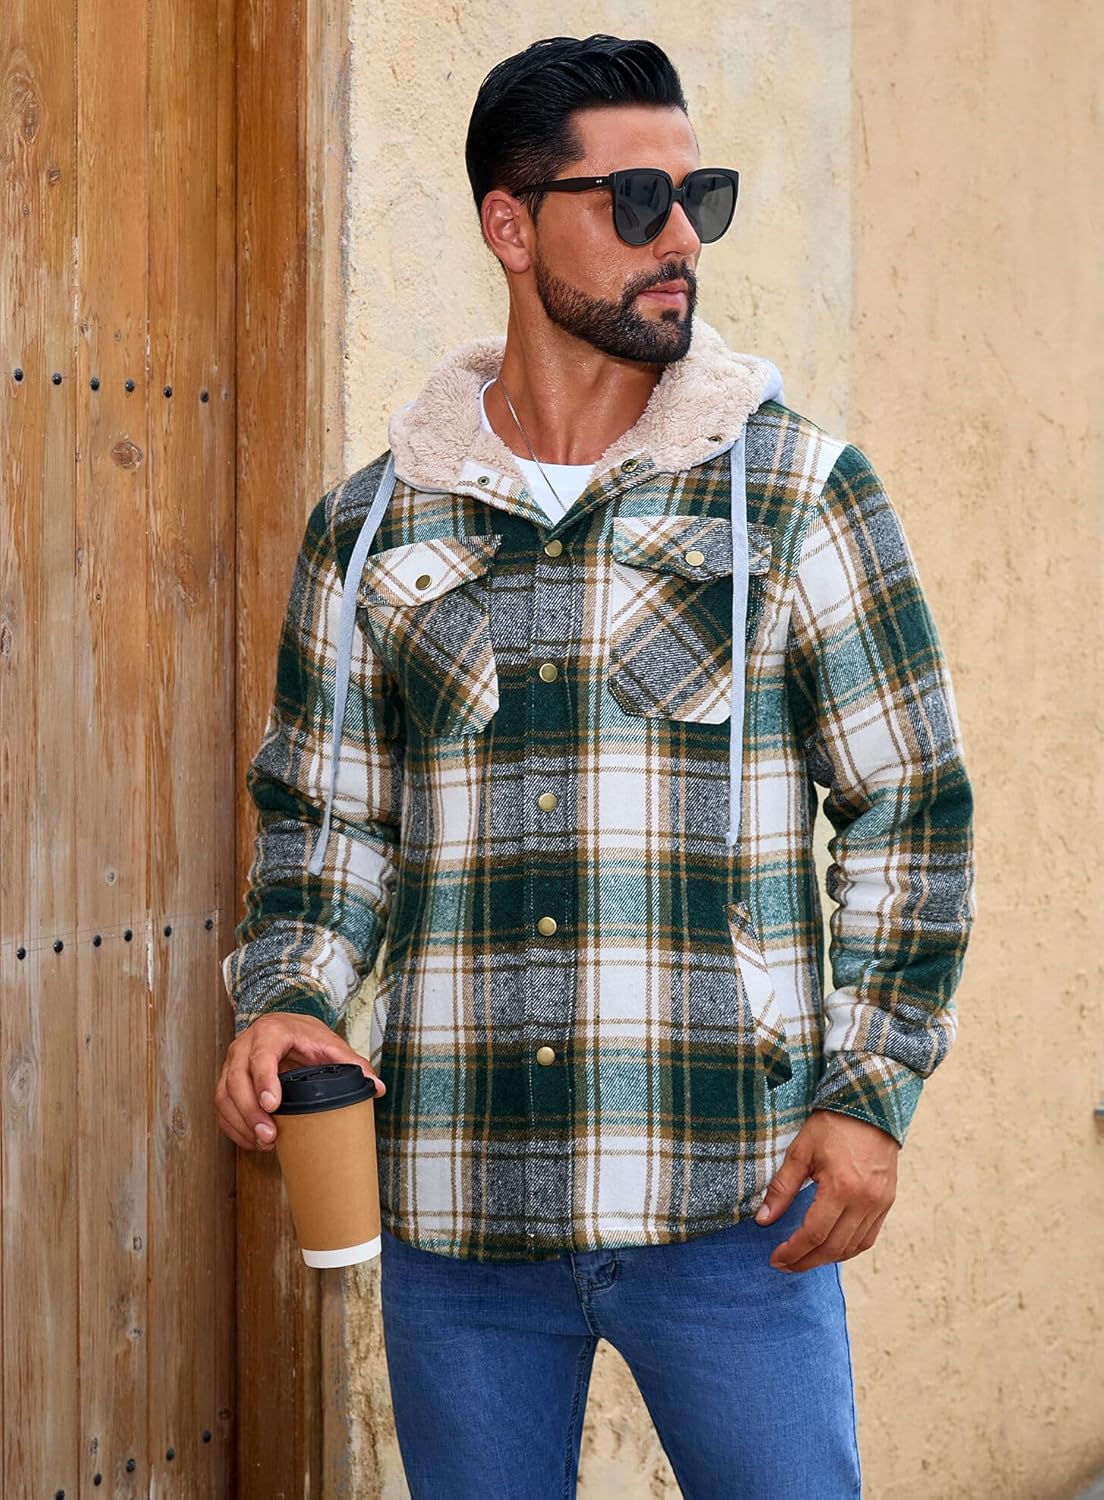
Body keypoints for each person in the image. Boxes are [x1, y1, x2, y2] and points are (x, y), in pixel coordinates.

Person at [216, 34, 975, 1499]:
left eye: (700, 197)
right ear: (511, 225)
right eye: (635, 200)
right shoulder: (370, 527)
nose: (680, 236)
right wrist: (292, 997)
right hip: (458, 1215)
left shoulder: (798, 491)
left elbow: (911, 812)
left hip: (736, 1200)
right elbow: (324, 826)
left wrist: (869, 1088)